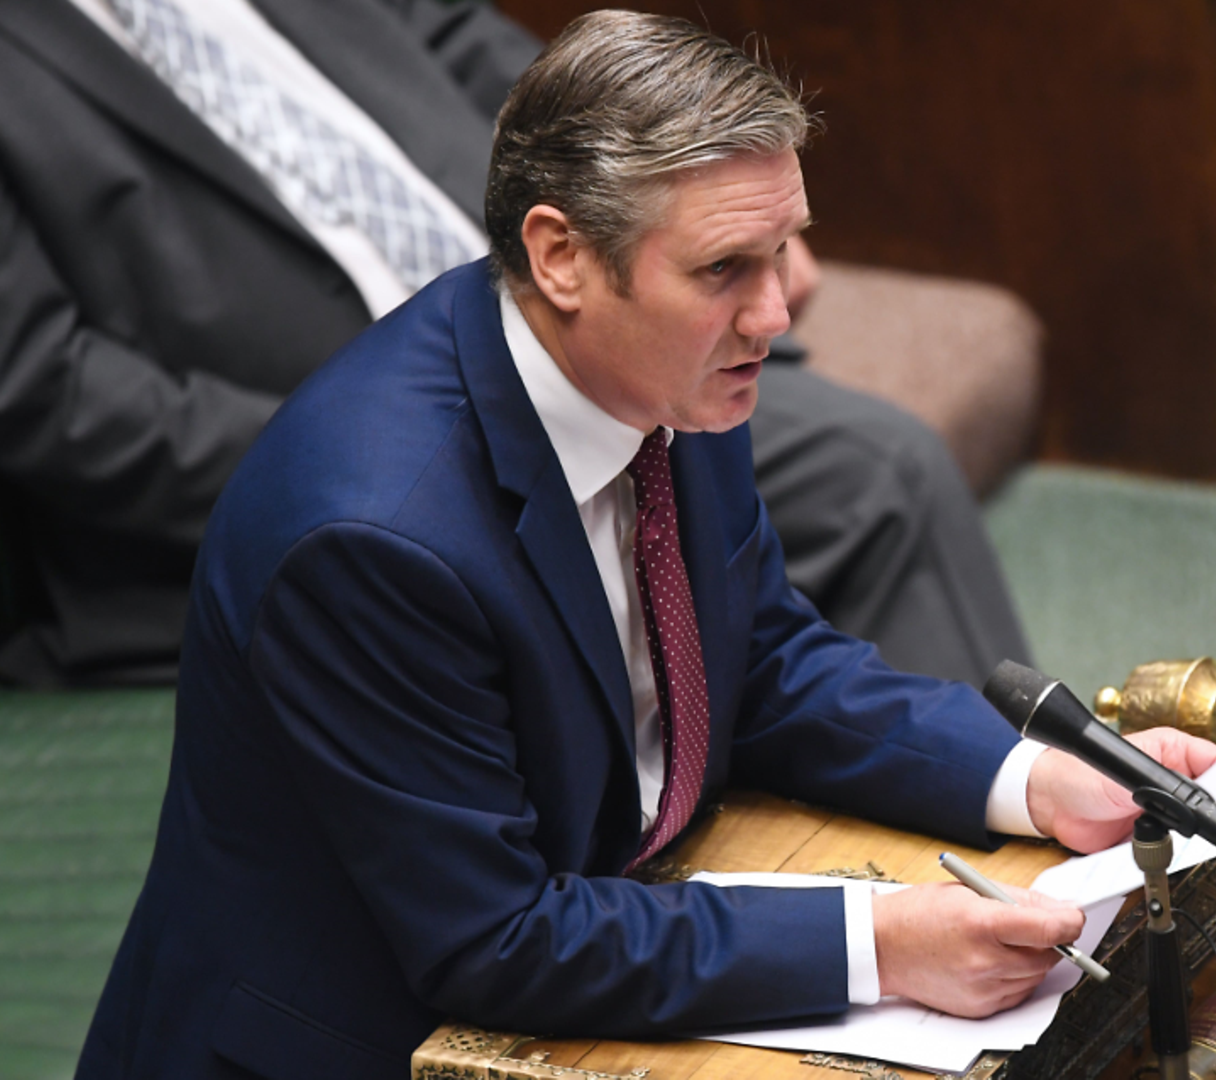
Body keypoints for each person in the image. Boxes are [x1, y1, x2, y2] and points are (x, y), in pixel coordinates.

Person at [75, 12, 1216, 1078]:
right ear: (562, 256)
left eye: (785, 252)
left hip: (592, 930)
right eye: (725, 268)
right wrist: (880, 945)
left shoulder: (664, 378)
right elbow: (498, 938)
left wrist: (1037, 781)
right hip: (366, 1044)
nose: (775, 315)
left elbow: (762, 665)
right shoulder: (371, 540)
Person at [0, 0, 1031, 689]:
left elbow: (460, 38)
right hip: (321, 471)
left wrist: (689, 197)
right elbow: (43, 389)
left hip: (551, 320)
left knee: (876, 477)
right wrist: (370, 453)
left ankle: (1026, 875)